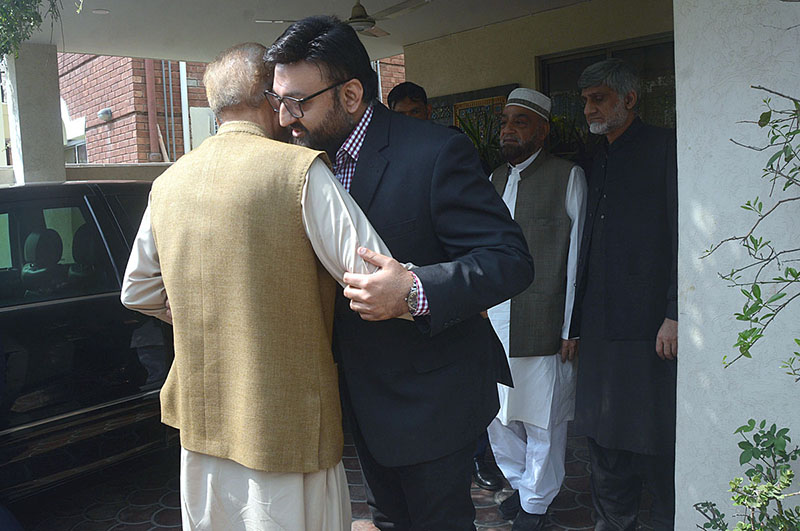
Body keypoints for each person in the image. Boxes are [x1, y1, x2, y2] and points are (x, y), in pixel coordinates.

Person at [265, 16, 534, 531]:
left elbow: (510, 260)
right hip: (361, 401)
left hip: (433, 398)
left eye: (297, 101)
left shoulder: (434, 153)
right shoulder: (301, 164)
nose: (284, 119)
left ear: (349, 94)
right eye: (276, 99)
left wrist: (414, 290)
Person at [120, 42, 399, 531]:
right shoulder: (298, 170)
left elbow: (138, 291)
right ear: (272, 99)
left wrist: (198, 310)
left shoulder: (168, 183)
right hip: (287, 421)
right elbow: (374, 272)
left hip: (203, 425)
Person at [571, 58, 678, 531]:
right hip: (599, 328)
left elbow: (681, 236)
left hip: (648, 329)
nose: (589, 108)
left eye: (599, 98)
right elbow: (587, 251)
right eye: (586, 100)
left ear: (629, 99)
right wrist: (574, 326)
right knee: (602, 437)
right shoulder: (598, 158)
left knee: (653, 441)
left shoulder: (664, 148)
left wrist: (675, 312)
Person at [388, 79, 504, 493]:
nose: (408, 123)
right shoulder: (381, 164)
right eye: (399, 116)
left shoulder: (447, 149)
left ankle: (480, 458)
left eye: (414, 113)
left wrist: (462, 291)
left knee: (467, 397)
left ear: (428, 110)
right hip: (410, 329)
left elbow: (491, 249)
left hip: (456, 297)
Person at [486, 88, 587, 530]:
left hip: (546, 323)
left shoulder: (568, 176)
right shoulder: (493, 180)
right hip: (495, 322)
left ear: (543, 130)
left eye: (520, 122)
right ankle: (520, 487)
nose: (509, 129)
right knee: (499, 417)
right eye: (505, 122)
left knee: (544, 420)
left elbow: (578, 255)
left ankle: (536, 504)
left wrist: (572, 327)